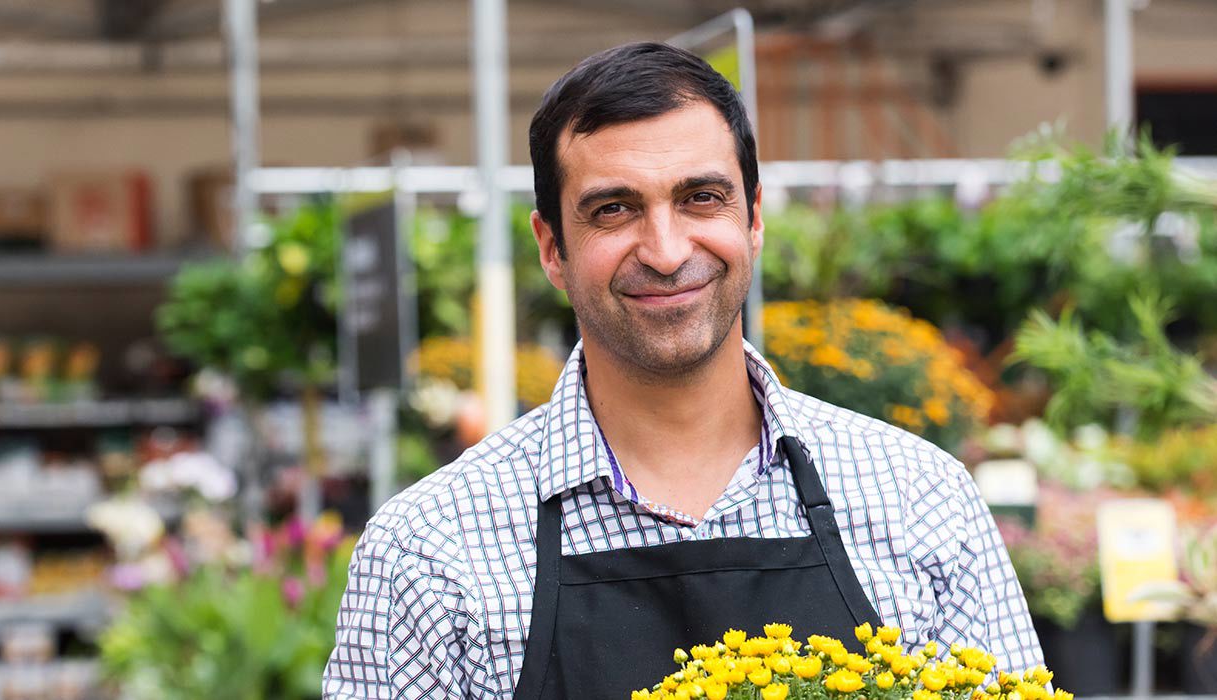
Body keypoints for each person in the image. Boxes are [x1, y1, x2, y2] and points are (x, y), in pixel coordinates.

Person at [323, 42, 1042, 699]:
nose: (666, 251)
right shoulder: (430, 553)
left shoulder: (920, 502)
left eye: (701, 198)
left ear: (753, 218)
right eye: (614, 209)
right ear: (551, 248)